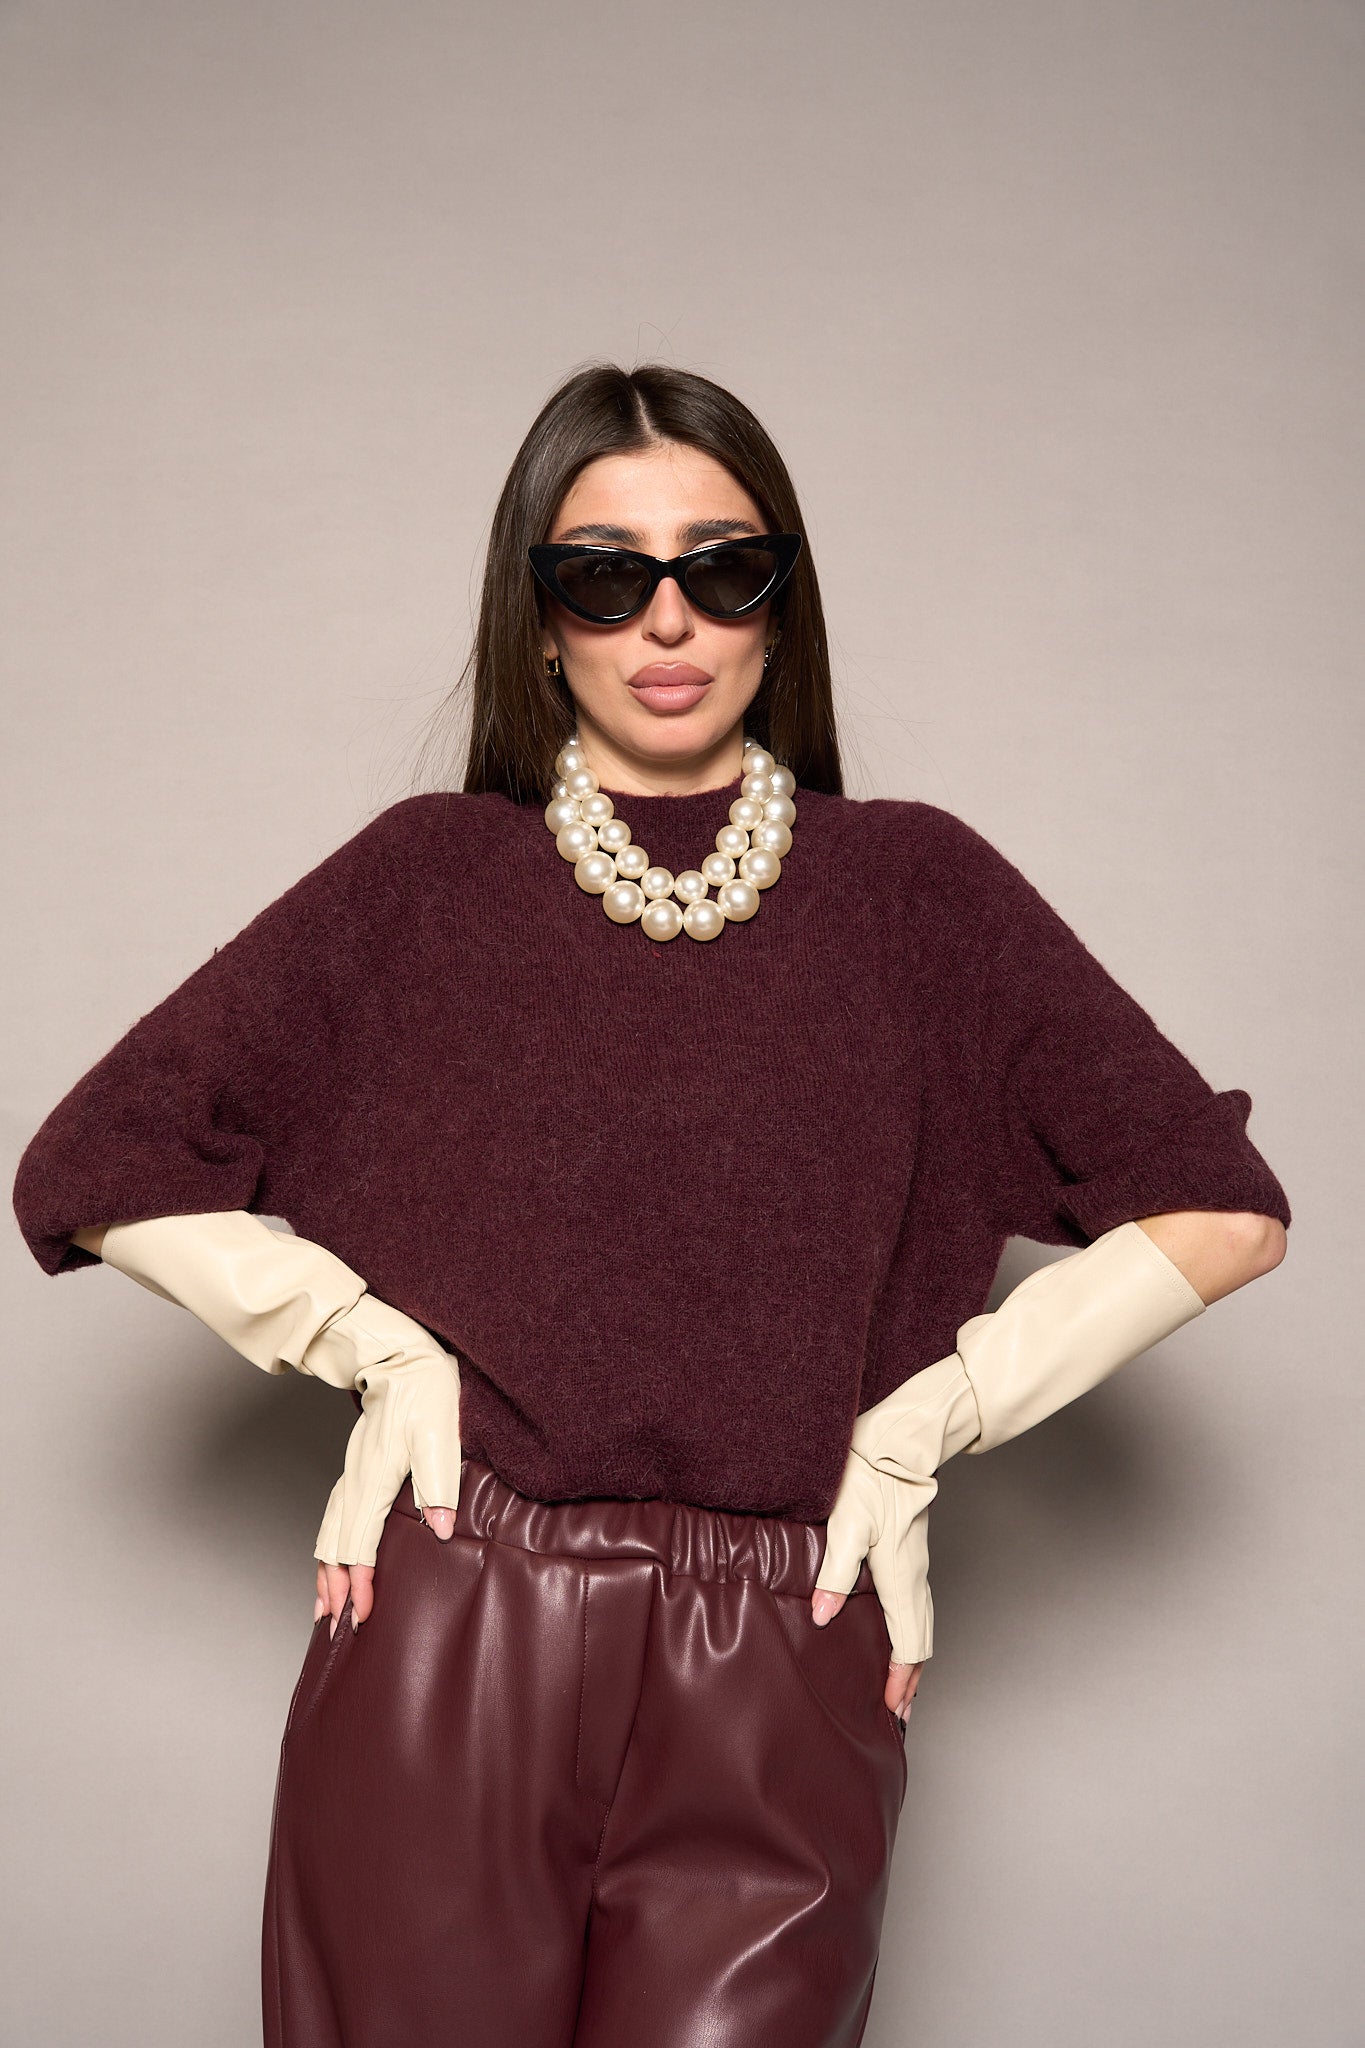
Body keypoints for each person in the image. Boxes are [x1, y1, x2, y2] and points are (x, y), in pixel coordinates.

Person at [11, 361, 1291, 2048]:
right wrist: (370, 1347)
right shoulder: (428, 880)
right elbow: (95, 1160)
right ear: (540, 622)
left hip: (789, 1640)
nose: (666, 618)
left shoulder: (915, 894)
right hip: (459, 1612)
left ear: (780, 604)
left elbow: (1217, 1207)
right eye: (604, 575)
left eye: (722, 567)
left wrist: (924, 1424)